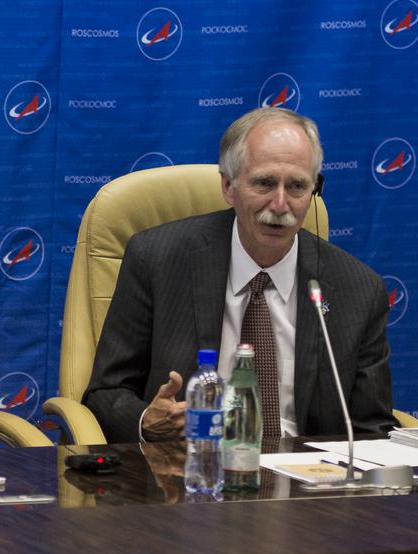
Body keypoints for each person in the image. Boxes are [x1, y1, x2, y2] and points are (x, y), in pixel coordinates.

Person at [84, 108, 393, 446]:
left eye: (296, 187)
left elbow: (371, 431)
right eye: (264, 183)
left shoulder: (358, 290)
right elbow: (105, 392)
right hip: (189, 472)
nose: (280, 205)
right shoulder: (157, 260)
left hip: (308, 484)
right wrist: (148, 421)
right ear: (228, 186)